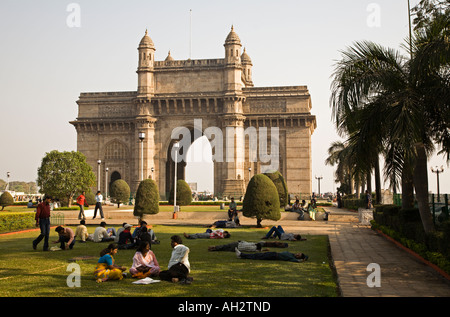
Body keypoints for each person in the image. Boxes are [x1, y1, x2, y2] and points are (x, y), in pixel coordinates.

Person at [235, 248, 309, 263]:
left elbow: (299, 261)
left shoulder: (292, 258)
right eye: (298, 253)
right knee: (257, 254)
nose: (297, 254)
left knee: (257, 257)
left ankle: (241, 255)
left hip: (273, 256)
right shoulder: (291, 254)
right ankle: (241, 255)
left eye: (298, 255)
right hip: (273, 253)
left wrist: (304, 258)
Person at [208, 240, 288, 252]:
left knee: (225, 247)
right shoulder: (254, 248)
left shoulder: (253, 246)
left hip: (238, 245)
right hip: (238, 247)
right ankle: (214, 248)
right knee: (224, 248)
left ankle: (214, 248)